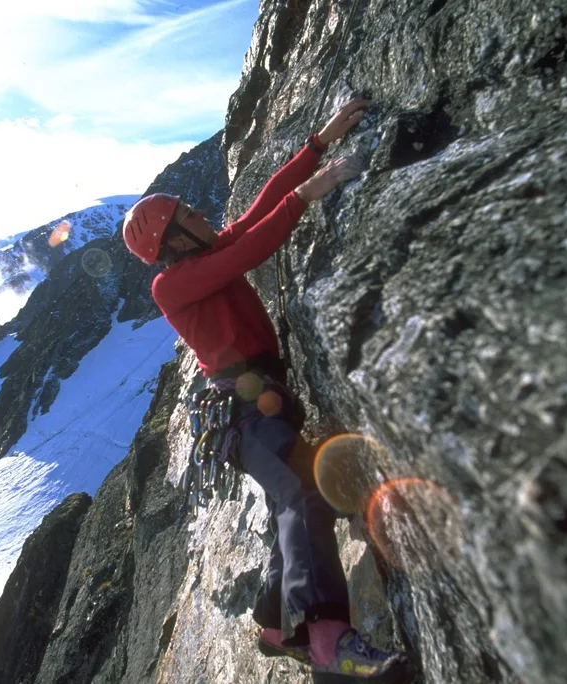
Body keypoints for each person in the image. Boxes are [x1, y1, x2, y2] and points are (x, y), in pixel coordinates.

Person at [122, 97, 407, 678]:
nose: (203, 214)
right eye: (190, 214)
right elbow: (255, 244)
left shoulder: (206, 251)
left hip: (258, 408)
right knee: (305, 492)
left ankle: (274, 624)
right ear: (174, 241)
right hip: (243, 415)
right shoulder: (172, 287)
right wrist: (310, 193)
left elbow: (253, 215)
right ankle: (327, 640)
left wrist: (317, 146)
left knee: (289, 503)